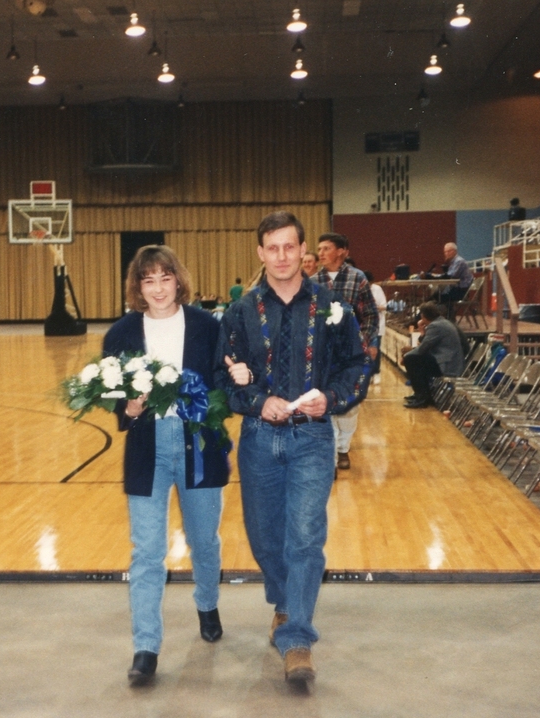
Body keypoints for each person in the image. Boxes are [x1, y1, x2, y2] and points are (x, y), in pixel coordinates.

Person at [215, 211, 368, 685]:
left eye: (289, 247)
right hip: (259, 439)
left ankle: (297, 637)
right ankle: (283, 604)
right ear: (260, 253)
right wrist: (258, 402)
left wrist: (334, 398)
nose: (281, 256)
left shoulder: (330, 306)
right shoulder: (239, 312)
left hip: (313, 438)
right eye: (272, 248)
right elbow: (223, 377)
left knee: (304, 535)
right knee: (265, 536)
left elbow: (357, 367)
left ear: (302, 251)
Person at [102, 245, 230, 686]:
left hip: (199, 445)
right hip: (146, 448)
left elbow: (221, 388)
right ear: (138, 287)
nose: (157, 288)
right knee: (147, 553)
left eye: (165, 278)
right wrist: (129, 408)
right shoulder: (120, 334)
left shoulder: (207, 327)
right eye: (147, 280)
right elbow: (111, 395)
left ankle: (208, 602)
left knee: (204, 541)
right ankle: (146, 646)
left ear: (179, 280)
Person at [315, 232, 378, 471]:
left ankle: (344, 448)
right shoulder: (311, 281)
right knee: (325, 404)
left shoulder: (357, 278)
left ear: (341, 251)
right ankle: (330, 458)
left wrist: (367, 343)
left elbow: (371, 314)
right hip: (322, 355)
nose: (320, 253)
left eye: (326, 248)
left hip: (352, 354)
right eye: (319, 249)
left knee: (350, 405)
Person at [401, 302, 468, 409]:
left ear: (423, 315)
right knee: (415, 360)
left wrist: (406, 355)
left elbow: (423, 348)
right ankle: (422, 395)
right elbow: (425, 346)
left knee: (410, 359)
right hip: (446, 361)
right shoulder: (441, 322)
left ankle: (422, 398)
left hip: (447, 365)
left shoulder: (435, 326)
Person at [435, 242, 474, 314]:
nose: (446, 254)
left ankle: (447, 318)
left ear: (454, 251)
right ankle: (449, 318)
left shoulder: (459, 261)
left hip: (461, 292)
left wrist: (434, 277)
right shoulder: (453, 262)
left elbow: (451, 276)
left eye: (448, 251)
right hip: (457, 290)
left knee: (438, 297)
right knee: (437, 295)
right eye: (445, 252)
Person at [364, 270, 388, 385]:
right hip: (364, 326)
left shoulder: (377, 289)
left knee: (375, 351)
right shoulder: (360, 290)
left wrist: (373, 308)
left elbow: (384, 306)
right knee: (364, 350)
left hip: (377, 325)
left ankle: (376, 372)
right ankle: (366, 374)